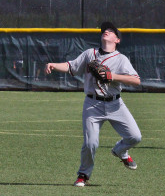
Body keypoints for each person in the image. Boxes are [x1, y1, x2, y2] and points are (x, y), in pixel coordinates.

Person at [44, 22, 142, 187]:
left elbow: (136, 80)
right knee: (91, 143)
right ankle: (83, 175)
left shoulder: (121, 59)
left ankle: (120, 150)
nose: (106, 32)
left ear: (117, 40)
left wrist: (112, 76)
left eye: (111, 31)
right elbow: (71, 66)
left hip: (115, 104)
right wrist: (54, 65)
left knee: (135, 136)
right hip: (92, 104)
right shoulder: (90, 54)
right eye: (105, 30)